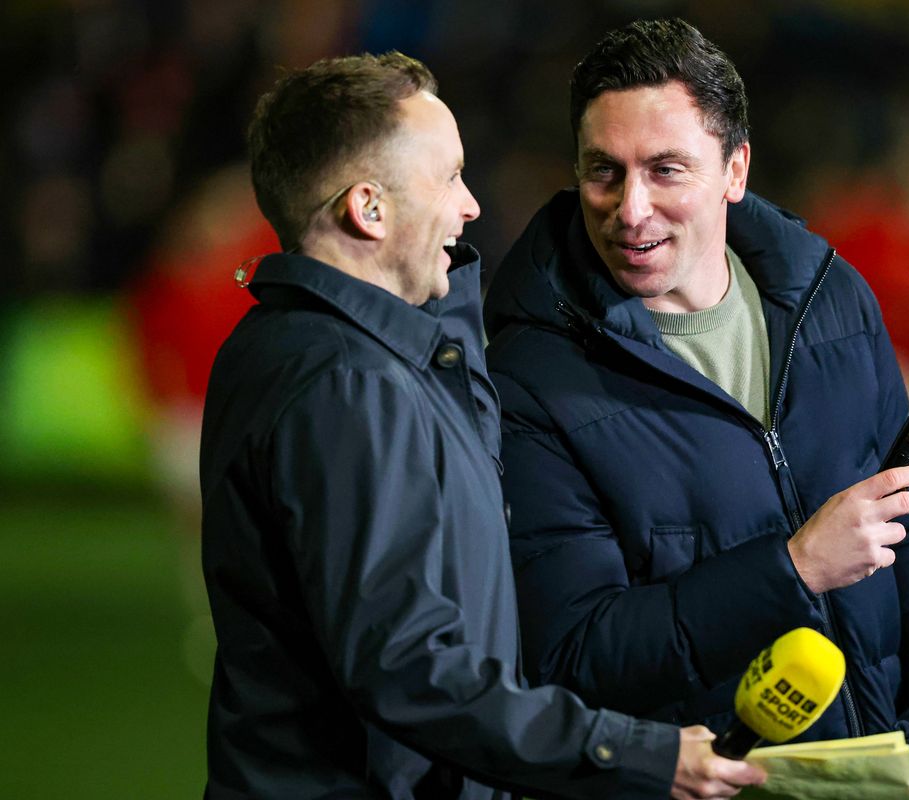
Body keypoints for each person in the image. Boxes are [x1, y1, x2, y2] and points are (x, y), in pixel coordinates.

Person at [200, 51, 765, 799]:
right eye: (449, 177)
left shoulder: (299, 343)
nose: (470, 207)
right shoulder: (350, 383)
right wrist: (631, 752)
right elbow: (410, 667)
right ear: (368, 209)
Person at [482, 19, 909, 800]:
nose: (630, 208)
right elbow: (573, 648)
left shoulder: (830, 296)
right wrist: (791, 571)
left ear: (735, 170)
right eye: (604, 172)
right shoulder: (527, 378)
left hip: (899, 771)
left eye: (665, 170)